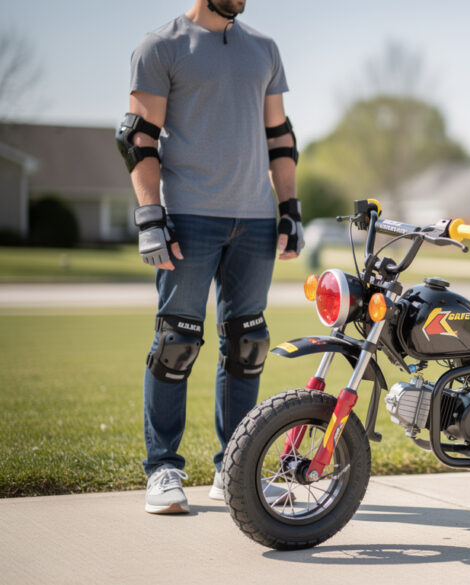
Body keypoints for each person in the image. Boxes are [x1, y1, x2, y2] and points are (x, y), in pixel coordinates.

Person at [117, 0, 304, 514]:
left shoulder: (263, 49)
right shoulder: (161, 47)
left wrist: (289, 208)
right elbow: (138, 137)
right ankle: (163, 470)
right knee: (176, 343)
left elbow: (280, 135)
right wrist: (150, 217)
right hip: (188, 215)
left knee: (249, 344)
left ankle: (234, 470)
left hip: (255, 219)